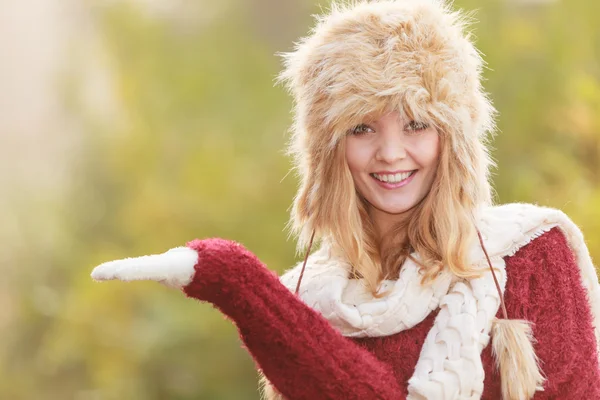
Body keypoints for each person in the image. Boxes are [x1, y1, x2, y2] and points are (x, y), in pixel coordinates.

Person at [91, 0, 600, 399]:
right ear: (329, 149)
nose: (391, 154)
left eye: (417, 124)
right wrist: (254, 298)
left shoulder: (529, 255)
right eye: (361, 128)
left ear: (455, 139)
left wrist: (233, 278)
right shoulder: (312, 298)